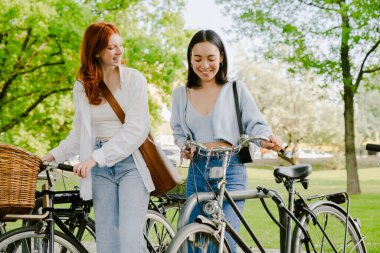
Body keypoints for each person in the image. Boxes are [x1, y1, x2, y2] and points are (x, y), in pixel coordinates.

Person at [42, 22, 154, 253]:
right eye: (111, 47)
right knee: (107, 241)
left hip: (131, 164)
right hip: (102, 171)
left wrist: (96, 158)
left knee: (130, 239)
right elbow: (78, 134)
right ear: (95, 51)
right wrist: (49, 157)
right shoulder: (83, 86)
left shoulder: (134, 80)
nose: (119, 52)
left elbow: (136, 129)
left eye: (120, 46)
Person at [170, 29, 282, 252]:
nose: (204, 65)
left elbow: (255, 124)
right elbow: (178, 132)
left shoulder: (235, 89)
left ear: (221, 57)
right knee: (193, 239)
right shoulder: (181, 94)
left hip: (230, 169)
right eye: (197, 58)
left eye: (211, 58)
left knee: (224, 238)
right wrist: (184, 146)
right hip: (197, 170)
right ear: (190, 59)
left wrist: (266, 140)